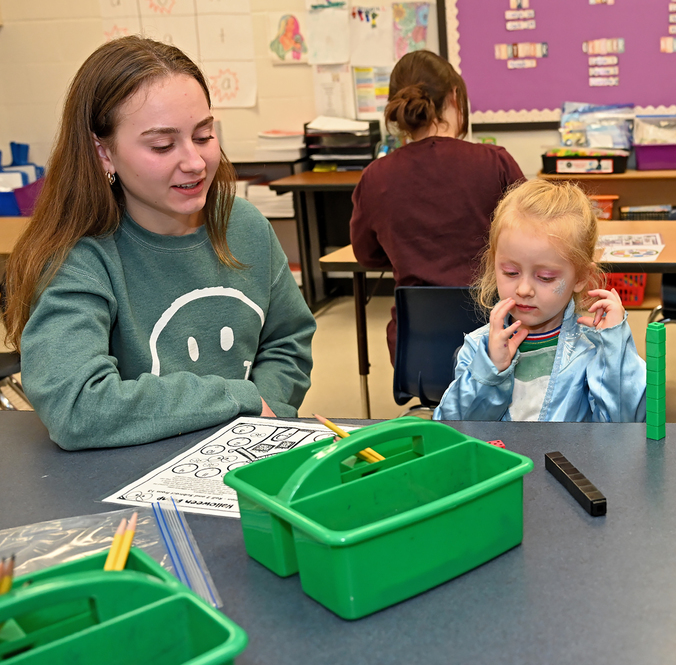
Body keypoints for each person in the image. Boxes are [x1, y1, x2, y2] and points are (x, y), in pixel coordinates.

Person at [2, 37, 316, 450]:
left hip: (242, 457)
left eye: (204, 135)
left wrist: (265, 412)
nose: (194, 161)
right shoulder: (80, 256)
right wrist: (240, 400)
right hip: (130, 483)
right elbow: (75, 403)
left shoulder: (246, 227)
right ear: (104, 154)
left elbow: (287, 341)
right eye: (162, 145)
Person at [350, 49, 524, 364]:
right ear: (455, 97)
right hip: (498, 338)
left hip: (416, 349)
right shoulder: (495, 163)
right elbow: (533, 237)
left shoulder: (376, 177)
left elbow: (367, 255)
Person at [434, 179, 646, 422]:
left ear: (581, 277)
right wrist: (490, 370)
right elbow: (452, 427)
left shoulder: (593, 347)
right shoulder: (479, 347)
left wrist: (614, 353)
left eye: (545, 277)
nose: (523, 289)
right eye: (511, 273)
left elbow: (625, 426)